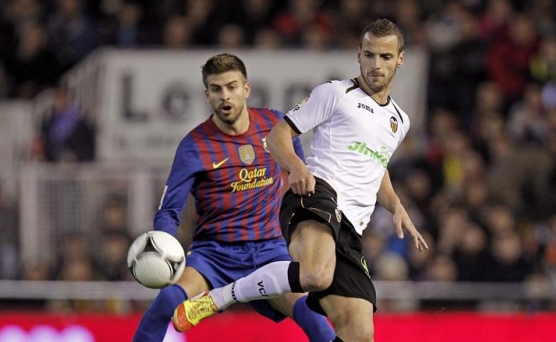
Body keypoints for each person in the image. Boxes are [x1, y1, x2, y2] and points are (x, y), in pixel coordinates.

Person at [172, 19, 429, 342]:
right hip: (316, 195)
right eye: (369, 55)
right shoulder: (335, 93)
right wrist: (296, 167)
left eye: (386, 57)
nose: (376, 64)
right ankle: (219, 298)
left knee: (359, 334)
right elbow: (277, 135)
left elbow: (376, 166)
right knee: (315, 275)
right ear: (358, 55)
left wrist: (396, 205)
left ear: (400, 59)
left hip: (351, 226)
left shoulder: (399, 120)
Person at [133, 53, 335, 342]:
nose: (225, 96)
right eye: (216, 89)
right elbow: (169, 211)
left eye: (231, 87)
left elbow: (299, 183)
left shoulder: (275, 125)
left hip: (269, 250)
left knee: (312, 312)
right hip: (214, 255)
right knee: (166, 302)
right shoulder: (194, 146)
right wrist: (164, 251)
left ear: (246, 89)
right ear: (207, 95)